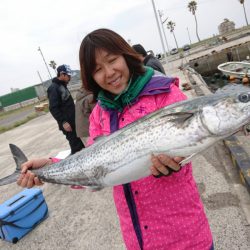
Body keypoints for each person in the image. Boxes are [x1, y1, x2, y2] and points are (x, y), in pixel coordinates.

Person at [17, 29, 213, 250]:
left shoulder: (166, 94)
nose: (109, 73)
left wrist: (178, 163)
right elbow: (91, 167)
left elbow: (193, 144)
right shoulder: (99, 113)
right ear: (90, 77)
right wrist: (50, 166)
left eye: (112, 60)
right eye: (98, 69)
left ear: (126, 56)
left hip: (186, 237)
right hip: (137, 240)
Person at [47, 64, 84, 154]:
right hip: (67, 125)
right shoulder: (54, 88)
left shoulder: (62, 86)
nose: (70, 77)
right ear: (62, 74)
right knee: (77, 147)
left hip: (73, 122)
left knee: (80, 145)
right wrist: (63, 122)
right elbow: (53, 108)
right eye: (68, 75)